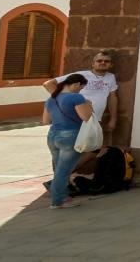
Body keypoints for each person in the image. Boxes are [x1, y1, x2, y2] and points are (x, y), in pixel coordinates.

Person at [43, 50, 120, 175]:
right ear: (93, 64)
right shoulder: (81, 76)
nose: (103, 63)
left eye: (106, 61)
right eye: (99, 61)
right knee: (68, 149)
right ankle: (61, 178)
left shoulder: (110, 78)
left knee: (93, 149)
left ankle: (61, 175)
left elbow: (112, 97)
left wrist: (113, 119)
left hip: (93, 120)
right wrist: (64, 99)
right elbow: (48, 84)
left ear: (110, 65)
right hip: (74, 119)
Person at [44, 73, 93, 209]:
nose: (80, 90)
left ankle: (63, 195)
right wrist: (88, 105)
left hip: (53, 135)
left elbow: (45, 120)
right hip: (70, 135)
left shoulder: (51, 98)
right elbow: (86, 117)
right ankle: (58, 200)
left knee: (59, 168)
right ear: (77, 84)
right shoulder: (76, 97)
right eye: (81, 88)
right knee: (64, 170)